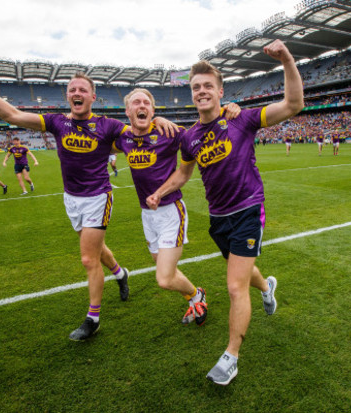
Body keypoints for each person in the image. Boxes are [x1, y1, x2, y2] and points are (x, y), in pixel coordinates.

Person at [0, 66, 179, 340]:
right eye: (72, 90)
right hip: (71, 198)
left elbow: (139, 128)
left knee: (88, 258)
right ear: (68, 96)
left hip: (98, 197)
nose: (77, 93)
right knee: (97, 252)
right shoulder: (56, 122)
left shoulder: (107, 126)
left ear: (92, 97)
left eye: (82, 90)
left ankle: (93, 318)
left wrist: (155, 117)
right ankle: (120, 273)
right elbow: (10, 114)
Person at [147, 39, 304, 385]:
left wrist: (286, 58)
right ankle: (267, 287)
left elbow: (294, 104)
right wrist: (159, 191)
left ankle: (230, 356)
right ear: (192, 94)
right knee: (244, 274)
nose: (202, 91)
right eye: (196, 87)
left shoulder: (242, 119)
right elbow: (184, 174)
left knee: (235, 286)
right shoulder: (189, 138)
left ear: (220, 91)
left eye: (208, 86)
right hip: (219, 218)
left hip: (248, 208)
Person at [113, 88, 240, 326]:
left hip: (171, 211)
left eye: (147, 103)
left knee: (164, 278)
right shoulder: (123, 138)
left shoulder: (168, 132)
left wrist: (227, 108)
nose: (142, 106)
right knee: (158, 262)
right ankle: (194, 297)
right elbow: (96, 142)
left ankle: (196, 294)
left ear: (152, 110)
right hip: (146, 214)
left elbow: (202, 130)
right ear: (128, 111)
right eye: (136, 103)